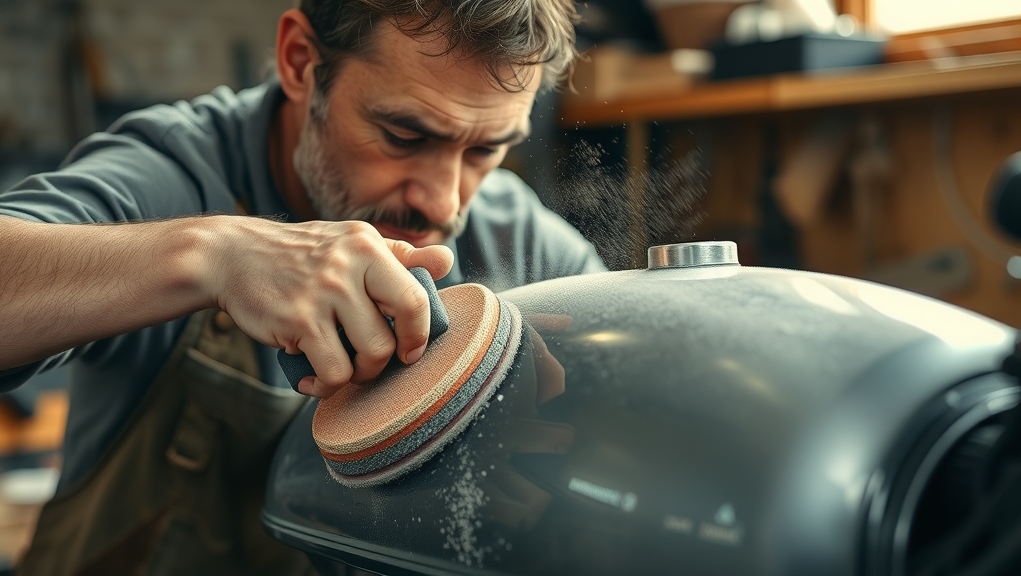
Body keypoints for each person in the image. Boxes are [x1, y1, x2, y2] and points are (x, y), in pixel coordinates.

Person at [0, 1, 604, 574]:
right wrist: (213, 254)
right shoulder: (173, 178)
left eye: (486, 149)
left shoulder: (522, 246)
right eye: (403, 136)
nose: (443, 201)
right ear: (298, 61)